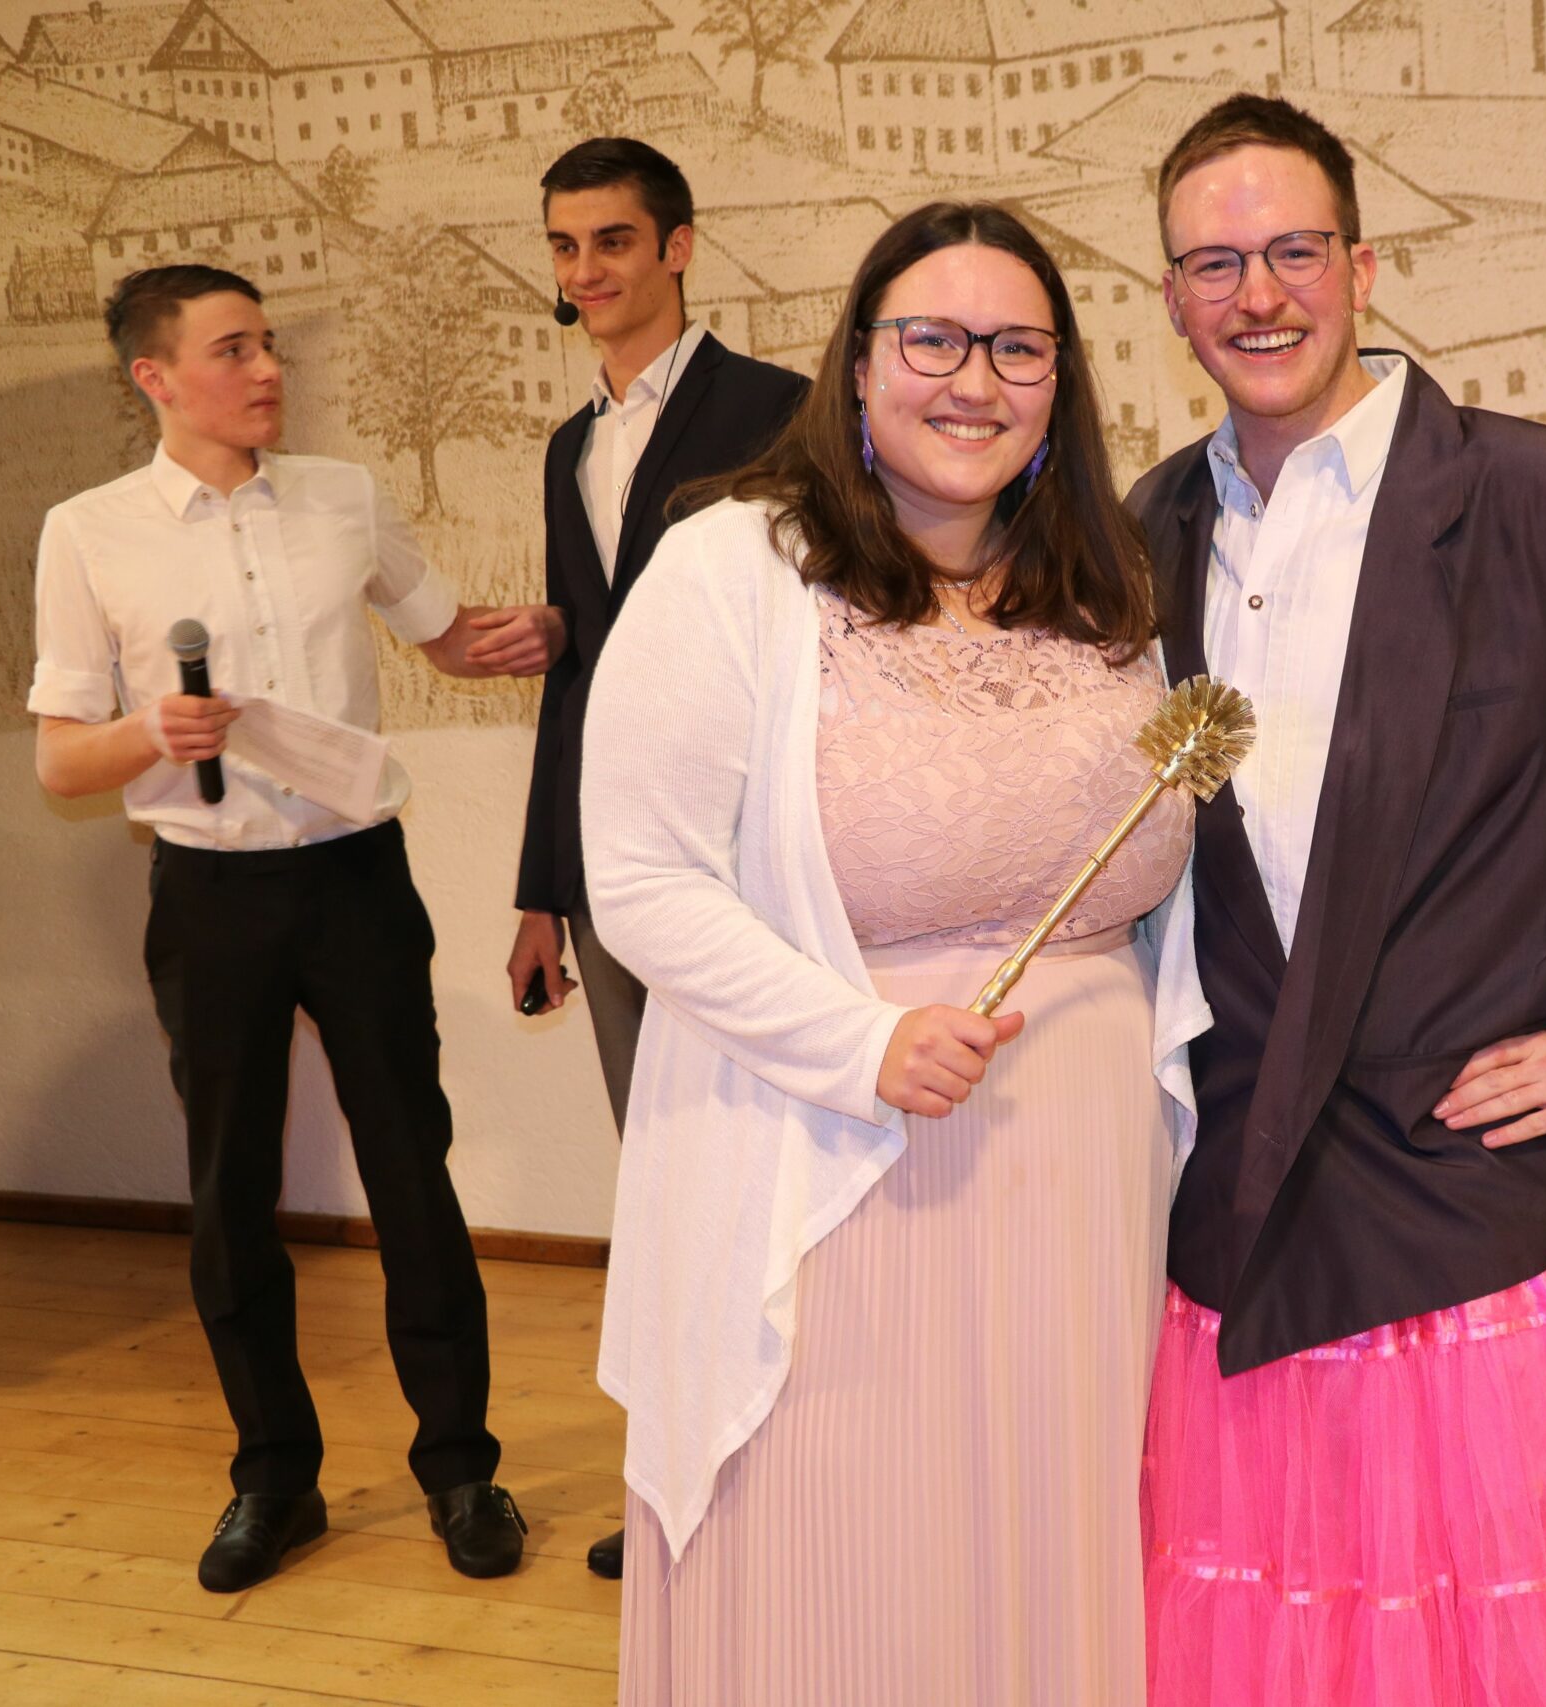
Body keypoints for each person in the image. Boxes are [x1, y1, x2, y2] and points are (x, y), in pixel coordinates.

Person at [1130, 95, 1546, 1706]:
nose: (1258, 294)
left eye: (1294, 250)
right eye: (1215, 263)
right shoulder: (1138, 532)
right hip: (1230, 1216)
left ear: (1363, 266)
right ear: (1170, 298)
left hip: (1457, 1215)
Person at [580, 201, 1187, 1705]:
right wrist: (861, 1045)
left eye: (1018, 347)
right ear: (857, 363)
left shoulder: (1106, 586)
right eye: (932, 339)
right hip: (828, 1152)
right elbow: (640, 880)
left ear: (1060, 383)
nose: (974, 379)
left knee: (1043, 1538)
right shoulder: (731, 568)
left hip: (1081, 1170)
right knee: (845, 1550)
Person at [30, 266, 559, 1591]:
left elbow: (452, 639)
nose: (267, 369)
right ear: (154, 376)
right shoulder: (87, 532)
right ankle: (274, 1478)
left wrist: (568, 625)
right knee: (230, 1194)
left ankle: (462, 1469)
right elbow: (59, 762)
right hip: (210, 896)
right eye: (233, 350)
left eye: (268, 344)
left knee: (413, 1172)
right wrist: (153, 729)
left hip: (359, 882)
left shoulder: (343, 497)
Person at [506, 134, 809, 1583]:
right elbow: (579, 684)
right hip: (616, 881)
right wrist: (540, 888)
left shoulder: (783, 411)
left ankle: (793, 1473)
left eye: (612, 241)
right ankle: (681, 1485)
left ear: (679, 247)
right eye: (564, 247)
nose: (586, 272)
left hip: (754, 866)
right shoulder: (569, 449)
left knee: (777, 1182)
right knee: (669, 1182)